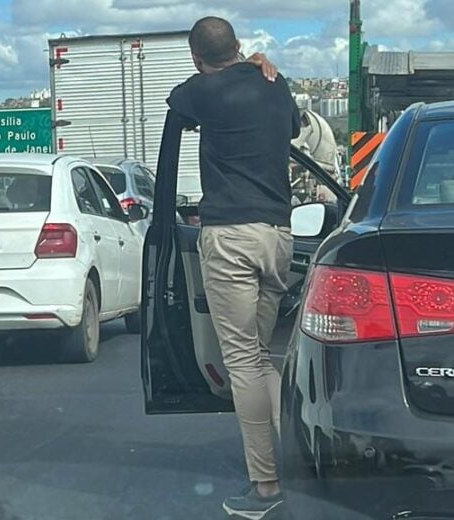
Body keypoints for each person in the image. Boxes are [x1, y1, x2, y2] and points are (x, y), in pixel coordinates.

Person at [158, 16, 301, 520]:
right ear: (239, 47)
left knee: (242, 362)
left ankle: (266, 486)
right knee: (263, 357)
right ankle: (303, 462)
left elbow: (177, 100)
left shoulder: (201, 91)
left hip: (231, 238)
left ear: (197, 57)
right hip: (278, 236)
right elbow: (295, 127)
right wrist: (259, 64)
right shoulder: (274, 83)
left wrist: (220, 70)